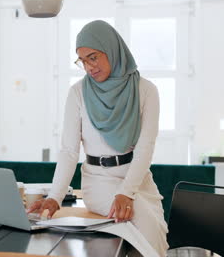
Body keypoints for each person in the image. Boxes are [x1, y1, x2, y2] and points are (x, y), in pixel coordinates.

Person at [28, 20, 168, 256]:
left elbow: (145, 148)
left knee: (155, 230)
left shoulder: (146, 90)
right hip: (98, 181)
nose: (89, 67)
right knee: (143, 221)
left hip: (139, 180)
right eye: (82, 61)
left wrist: (127, 191)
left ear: (112, 49)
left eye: (93, 57)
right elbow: (69, 151)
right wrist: (55, 197)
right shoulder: (77, 93)